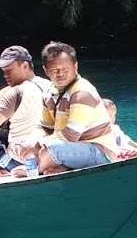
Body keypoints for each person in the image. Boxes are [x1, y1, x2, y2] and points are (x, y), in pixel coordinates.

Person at [37, 41, 119, 173]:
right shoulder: (49, 93)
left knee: (49, 149)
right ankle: (60, 166)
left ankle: (34, 171)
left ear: (75, 67)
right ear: (46, 71)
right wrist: (33, 145)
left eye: (65, 69)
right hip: (72, 148)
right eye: (54, 70)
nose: (60, 74)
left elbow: (71, 135)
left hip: (100, 151)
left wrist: (39, 145)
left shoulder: (82, 92)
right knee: (30, 147)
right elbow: (47, 129)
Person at [0, 45, 48, 174]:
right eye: (4, 71)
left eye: (9, 70)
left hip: (22, 158)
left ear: (25, 67)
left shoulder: (16, 92)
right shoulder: (49, 85)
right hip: (47, 155)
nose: (5, 75)